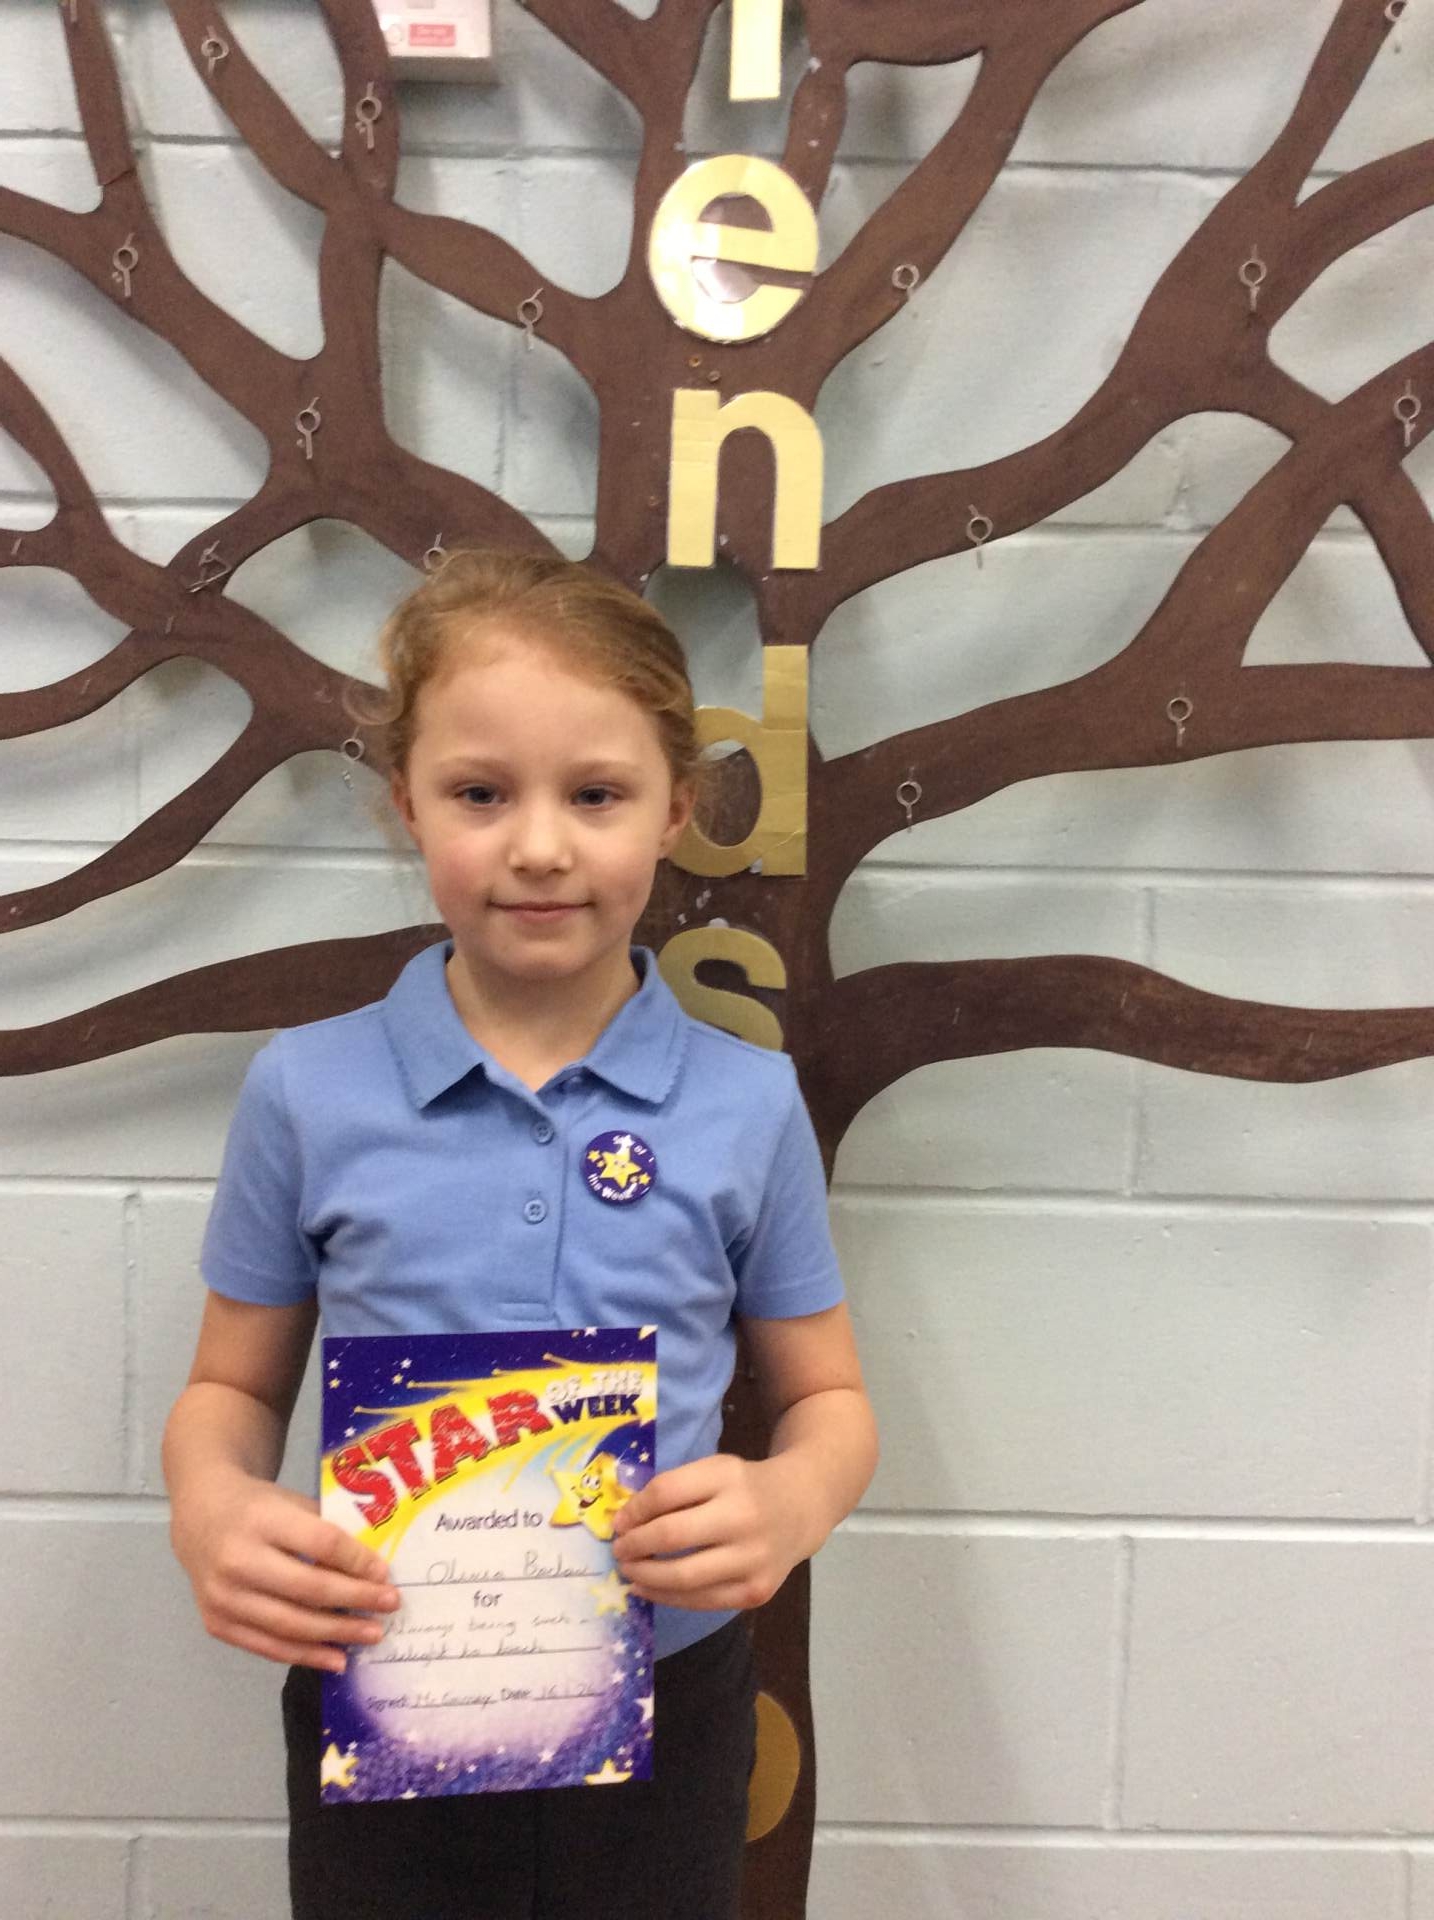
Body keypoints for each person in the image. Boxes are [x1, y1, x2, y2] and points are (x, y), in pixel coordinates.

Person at [162, 548, 879, 1920]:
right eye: (480, 793)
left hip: (672, 1695)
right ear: (406, 804)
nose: (539, 846)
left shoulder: (745, 1100)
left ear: (676, 809)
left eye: (595, 794)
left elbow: (831, 1401)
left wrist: (793, 1501)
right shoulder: (307, 1089)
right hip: (384, 1672)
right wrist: (209, 1504)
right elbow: (229, 1390)